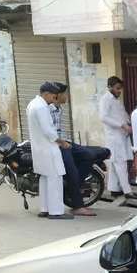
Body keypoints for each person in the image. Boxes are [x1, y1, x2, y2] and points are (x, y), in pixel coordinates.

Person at [51, 83, 96, 217]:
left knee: (88, 155)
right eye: (65, 94)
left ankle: (72, 185)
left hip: (65, 142)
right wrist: (61, 143)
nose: (67, 96)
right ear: (57, 95)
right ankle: (77, 206)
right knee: (72, 171)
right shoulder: (47, 110)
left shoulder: (59, 108)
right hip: (58, 145)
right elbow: (49, 132)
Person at [27, 82, 71, 219]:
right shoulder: (41, 107)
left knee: (45, 178)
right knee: (55, 179)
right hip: (48, 148)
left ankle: (44, 209)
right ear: (46, 94)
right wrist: (62, 142)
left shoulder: (32, 104)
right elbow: (48, 130)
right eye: (53, 96)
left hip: (39, 149)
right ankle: (56, 212)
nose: (54, 99)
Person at [99, 76, 137, 205]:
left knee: (115, 164)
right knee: (120, 163)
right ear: (109, 87)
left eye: (120, 88)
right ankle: (128, 191)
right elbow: (103, 117)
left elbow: (122, 115)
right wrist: (121, 125)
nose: (119, 91)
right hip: (114, 137)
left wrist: (130, 122)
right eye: (117, 88)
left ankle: (114, 189)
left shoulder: (116, 100)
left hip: (122, 136)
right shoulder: (106, 99)